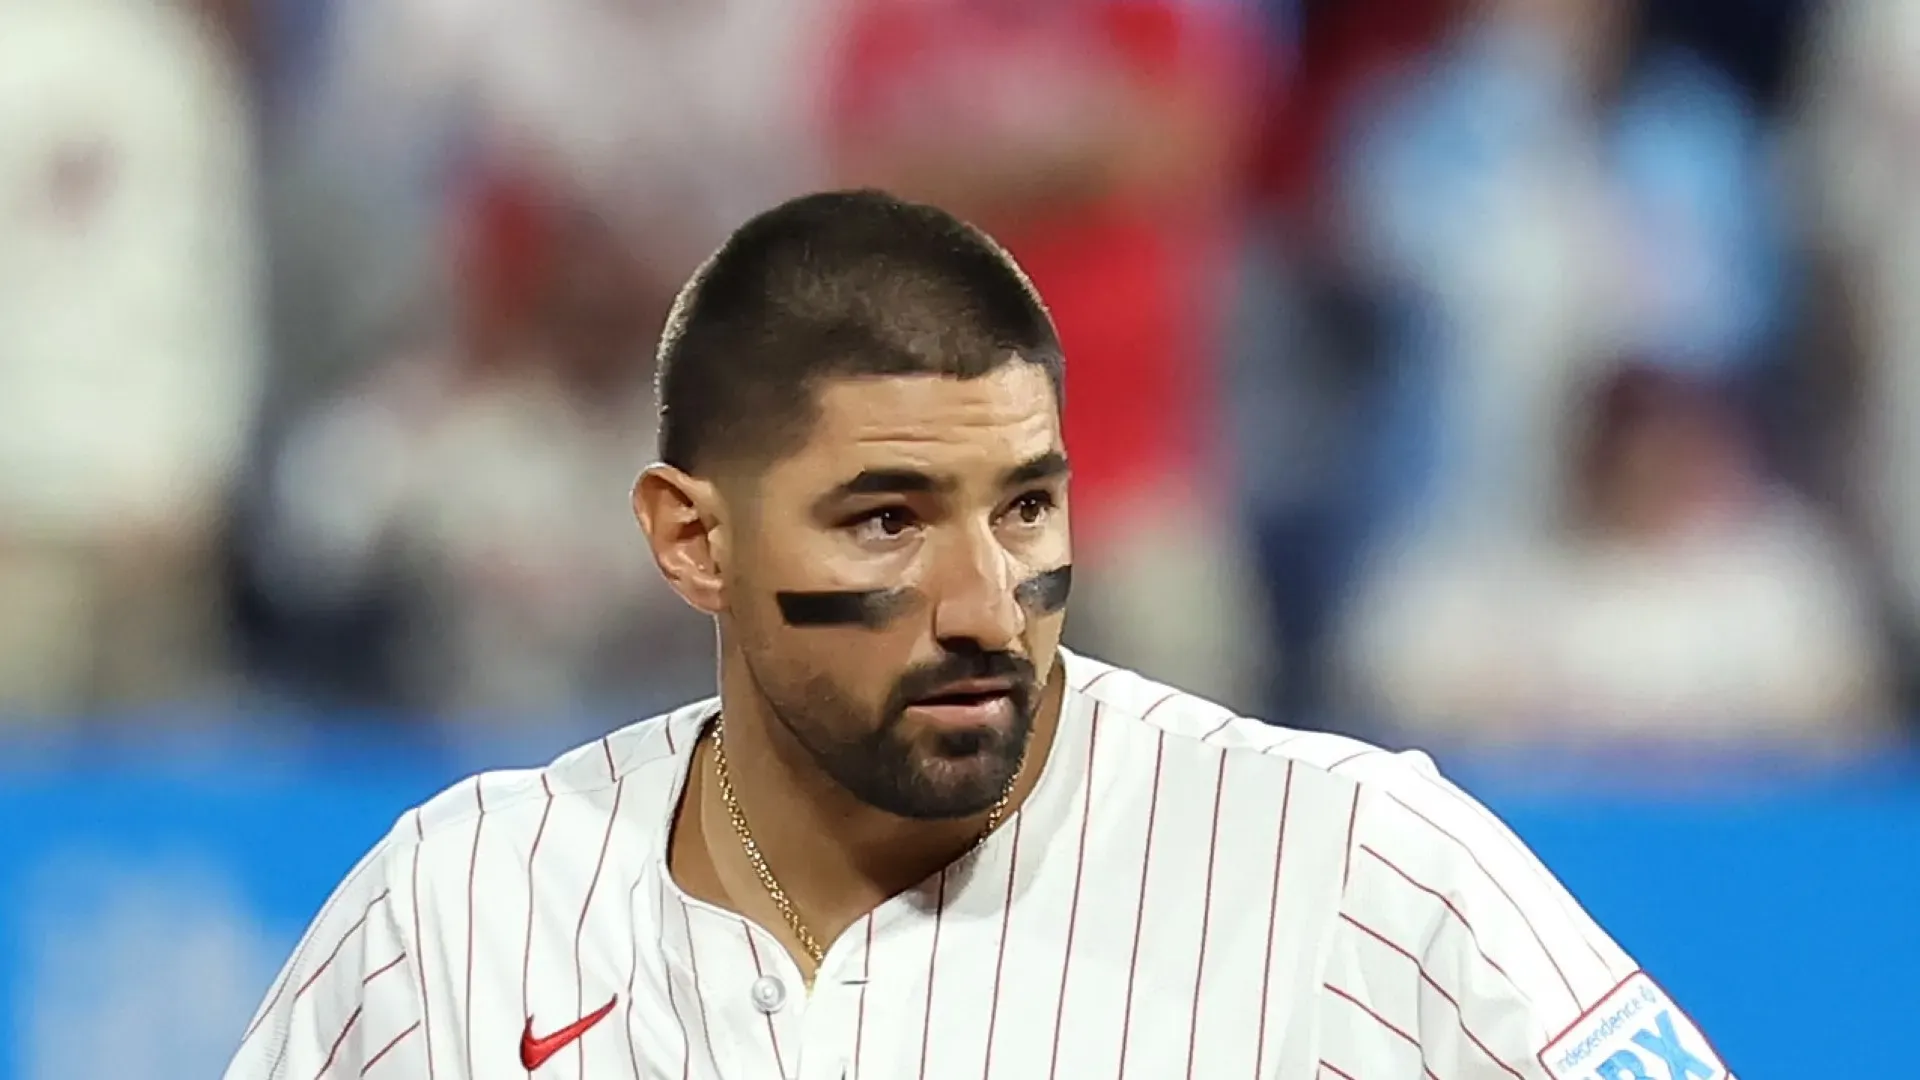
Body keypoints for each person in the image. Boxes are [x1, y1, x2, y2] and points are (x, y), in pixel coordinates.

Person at [223, 191, 1732, 1080]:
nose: (983, 605)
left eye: (1024, 507)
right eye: (885, 520)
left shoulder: (1347, 860)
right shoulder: (458, 912)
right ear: (695, 539)